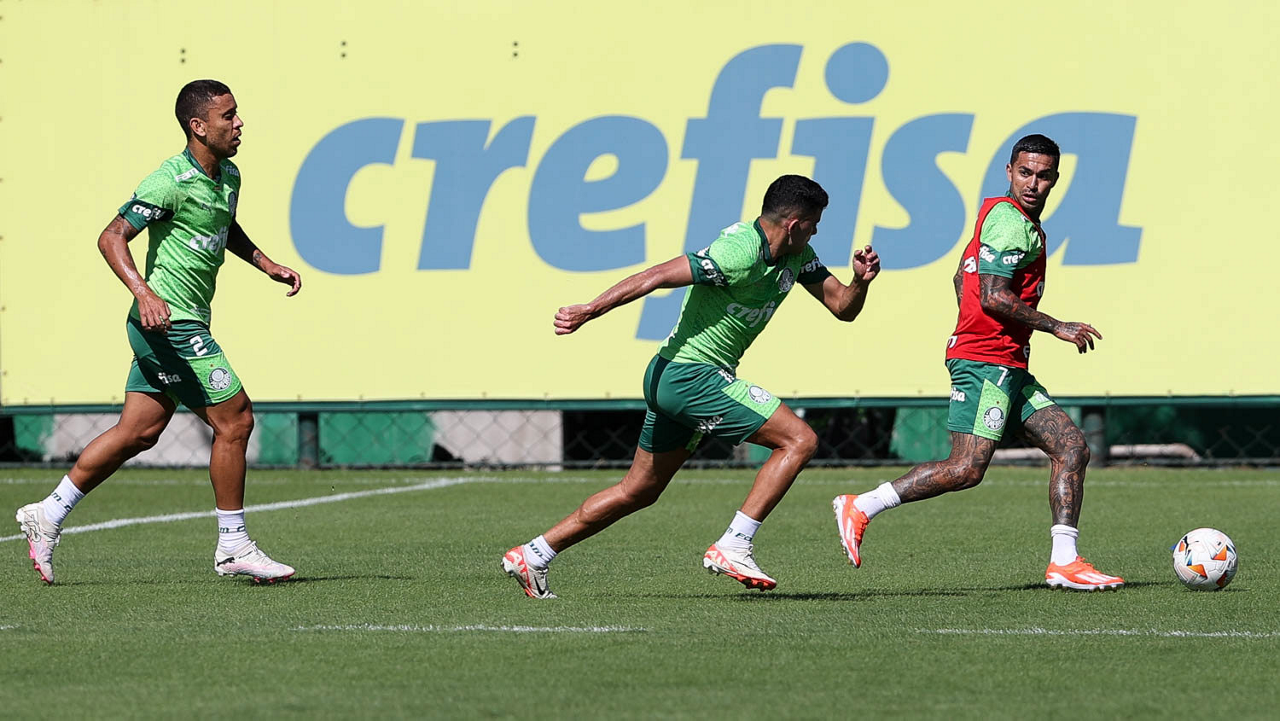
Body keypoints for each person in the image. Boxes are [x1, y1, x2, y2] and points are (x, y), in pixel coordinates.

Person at [502, 174, 881, 598]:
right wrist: (590, 310)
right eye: (813, 224)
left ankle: (534, 554)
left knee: (638, 491)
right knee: (799, 440)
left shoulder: (798, 255)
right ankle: (734, 544)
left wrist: (860, 282)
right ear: (793, 224)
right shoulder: (737, 252)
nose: (816, 232)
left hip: (674, 377)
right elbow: (657, 275)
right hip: (690, 375)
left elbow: (842, 307)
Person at [15, 80, 301, 584]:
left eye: (237, 114)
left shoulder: (229, 174)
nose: (239, 124)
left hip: (179, 322)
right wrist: (144, 293)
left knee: (139, 432)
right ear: (198, 127)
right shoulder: (168, 180)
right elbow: (111, 237)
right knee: (235, 420)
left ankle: (48, 512)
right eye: (228, 116)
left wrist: (265, 263)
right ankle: (233, 546)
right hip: (168, 324)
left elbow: (224, 225)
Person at [832, 134, 1123, 591]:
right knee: (966, 468)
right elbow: (992, 295)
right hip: (986, 363)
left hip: (1006, 363)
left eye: (1043, 175)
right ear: (1009, 172)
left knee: (1071, 448)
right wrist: (1056, 326)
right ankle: (862, 505)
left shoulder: (1008, 218)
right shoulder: (1009, 222)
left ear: (1055, 179)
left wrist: (975, 326)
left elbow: (960, 277)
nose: (1033, 183)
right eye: (1024, 172)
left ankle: (1064, 562)